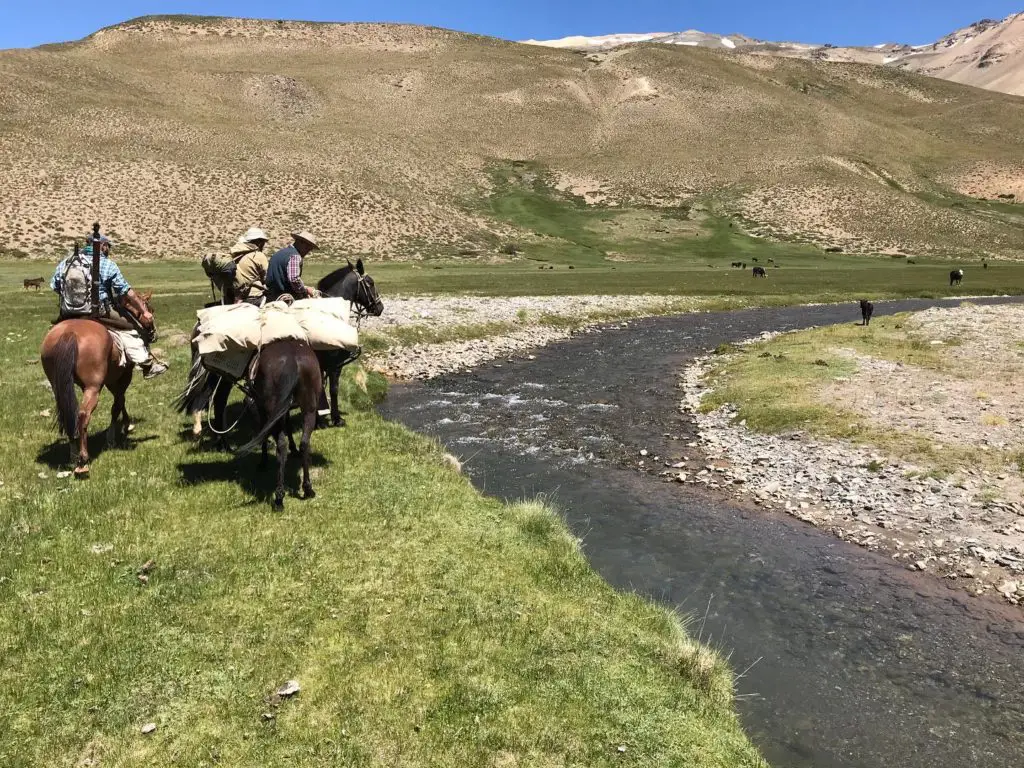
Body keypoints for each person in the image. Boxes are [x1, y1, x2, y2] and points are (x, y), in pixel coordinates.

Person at [50, 231, 168, 378]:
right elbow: (126, 292)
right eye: (108, 247)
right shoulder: (107, 264)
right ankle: (146, 364)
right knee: (133, 329)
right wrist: (144, 311)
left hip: (68, 311)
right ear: (103, 246)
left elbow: (55, 286)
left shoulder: (67, 262)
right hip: (100, 311)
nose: (108, 250)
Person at [265, 231, 321, 302]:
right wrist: (305, 291)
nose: (308, 251)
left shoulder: (278, 253)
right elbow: (294, 279)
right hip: (284, 297)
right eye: (307, 247)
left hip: (271, 295)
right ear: (300, 243)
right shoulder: (295, 256)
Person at [232, 227, 271, 305]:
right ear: (259, 242)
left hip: (237, 296)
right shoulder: (258, 255)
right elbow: (268, 278)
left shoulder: (236, 255)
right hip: (255, 297)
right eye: (263, 242)